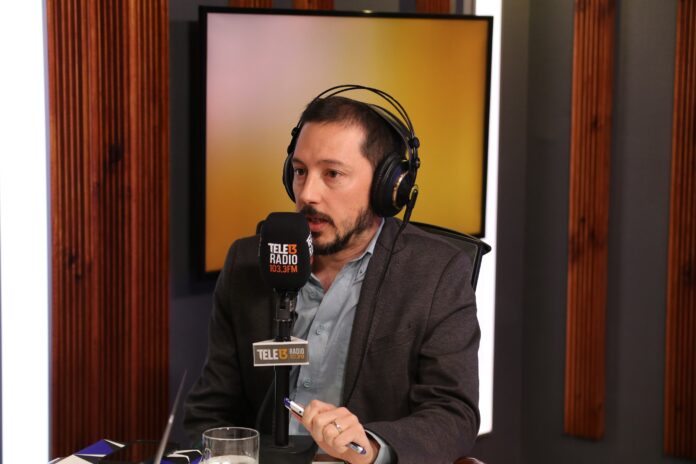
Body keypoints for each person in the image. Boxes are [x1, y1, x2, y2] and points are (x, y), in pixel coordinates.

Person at [184, 86, 480, 464]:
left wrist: (372, 447)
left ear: (388, 187)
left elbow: (453, 414)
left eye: (333, 174)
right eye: (300, 171)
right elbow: (209, 410)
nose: (307, 194)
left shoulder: (436, 273)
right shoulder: (247, 261)